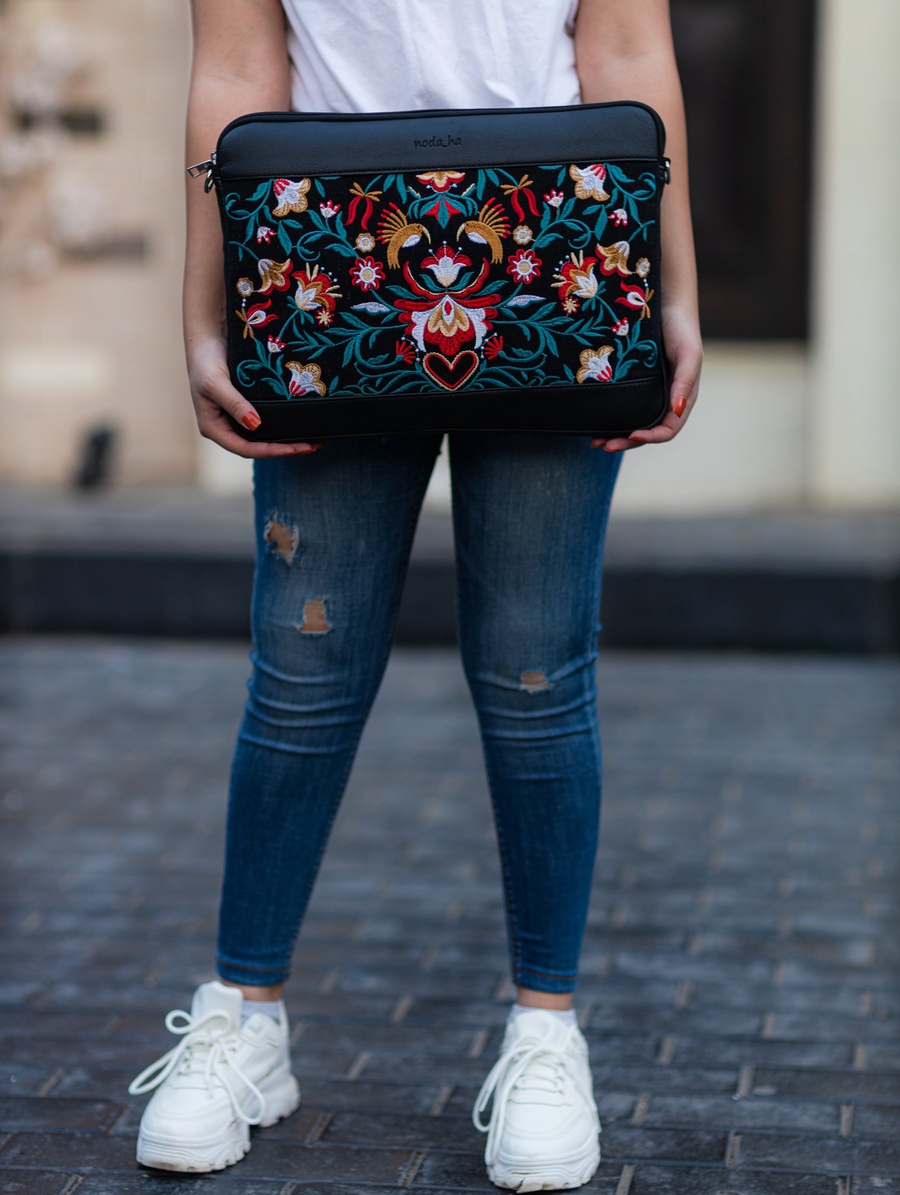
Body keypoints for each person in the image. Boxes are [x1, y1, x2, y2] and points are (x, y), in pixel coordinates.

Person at [127, 0, 702, 1184]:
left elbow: (631, 50)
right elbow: (233, 68)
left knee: (538, 672)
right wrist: (204, 313)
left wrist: (672, 290)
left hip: (562, 251)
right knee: (303, 669)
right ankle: (245, 1018)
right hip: (321, 266)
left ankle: (546, 1032)